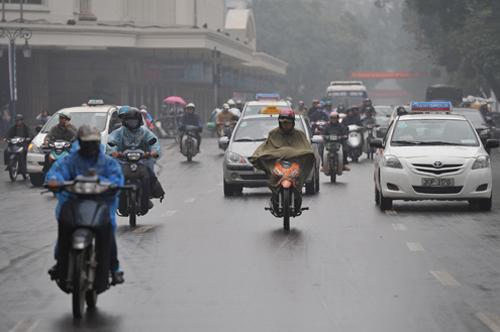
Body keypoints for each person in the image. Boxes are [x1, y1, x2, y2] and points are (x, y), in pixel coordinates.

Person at [46, 125, 125, 285]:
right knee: (64, 228)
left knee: (108, 229)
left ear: (98, 143)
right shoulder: (70, 160)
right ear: (80, 143)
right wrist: (54, 181)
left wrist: (112, 184)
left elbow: (117, 177)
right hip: (73, 202)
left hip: (102, 202)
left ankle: (113, 267)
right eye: (86, 143)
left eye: (93, 142)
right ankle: (60, 263)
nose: (90, 146)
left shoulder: (107, 162)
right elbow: (57, 172)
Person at [249, 109, 315, 210]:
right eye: (283, 123)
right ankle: (275, 195)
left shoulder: (299, 135)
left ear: (292, 123)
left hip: (294, 165)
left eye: (288, 123)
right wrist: (263, 156)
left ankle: (297, 194)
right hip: (278, 164)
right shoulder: (273, 134)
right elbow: (267, 149)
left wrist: (304, 155)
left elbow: (305, 149)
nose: (285, 125)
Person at [107, 106, 164, 203]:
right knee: (113, 174)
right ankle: (115, 195)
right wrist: (114, 152)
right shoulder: (118, 132)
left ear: (139, 121)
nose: (132, 124)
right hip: (123, 159)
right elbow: (111, 143)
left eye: (135, 121)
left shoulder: (145, 132)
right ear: (125, 121)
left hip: (143, 159)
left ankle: (149, 193)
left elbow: (154, 143)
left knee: (150, 174)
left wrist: (154, 152)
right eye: (130, 121)